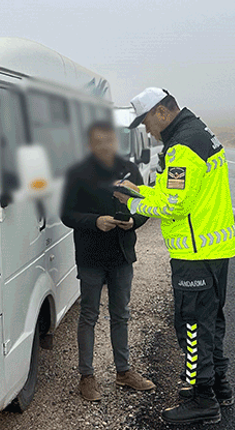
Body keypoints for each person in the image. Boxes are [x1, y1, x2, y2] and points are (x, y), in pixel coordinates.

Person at [114, 88, 235, 425]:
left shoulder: (182, 147)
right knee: (210, 322)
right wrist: (140, 190)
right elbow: (175, 192)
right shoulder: (199, 134)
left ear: (161, 112)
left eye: (146, 123)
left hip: (195, 253)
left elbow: (174, 205)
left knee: (193, 327)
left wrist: (132, 204)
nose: (147, 131)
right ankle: (219, 387)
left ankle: (201, 400)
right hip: (213, 248)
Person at [61, 121, 156, 402]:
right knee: (89, 315)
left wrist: (133, 223)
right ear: (90, 145)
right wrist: (95, 221)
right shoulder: (77, 173)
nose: (105, 147)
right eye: (99, 142)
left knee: (121, 314)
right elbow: (66, 214)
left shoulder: (130, 170)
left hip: (122, 255)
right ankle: (86, 376)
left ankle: (123, 372)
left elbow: (144, 207)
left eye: (109, 141)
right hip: (91, 257)